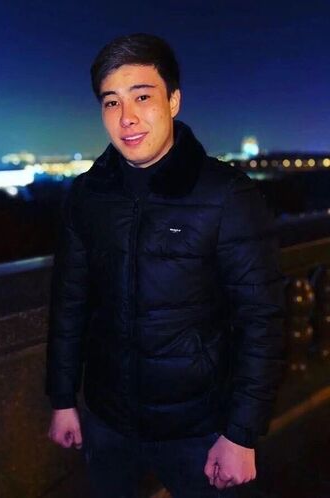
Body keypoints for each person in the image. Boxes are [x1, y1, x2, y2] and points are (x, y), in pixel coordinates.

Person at [45, 33, 285, 498]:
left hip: (200, 427)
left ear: (173, 101)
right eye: (111, 102)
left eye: (142, 97)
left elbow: (262, 319)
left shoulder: (227, 194)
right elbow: (69, 303)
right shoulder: (88, 196)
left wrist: (241, 434)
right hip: (108, 420)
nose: (126, 117)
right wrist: (62, 398)